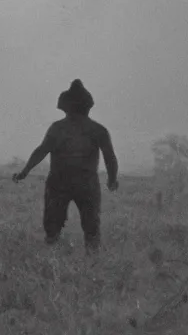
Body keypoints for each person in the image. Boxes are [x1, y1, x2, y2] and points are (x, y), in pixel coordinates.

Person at [11, 79, 118, 254]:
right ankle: (88, 259)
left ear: (65, 106)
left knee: (54, 226)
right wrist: (112, 180)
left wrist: (25, 172)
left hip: (61, 182)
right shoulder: (98, 130)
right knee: (90, 226)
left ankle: (55, 258)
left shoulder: (58, 128)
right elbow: (110, 159)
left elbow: (41, 151)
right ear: (87, 106)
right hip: (85, 182)